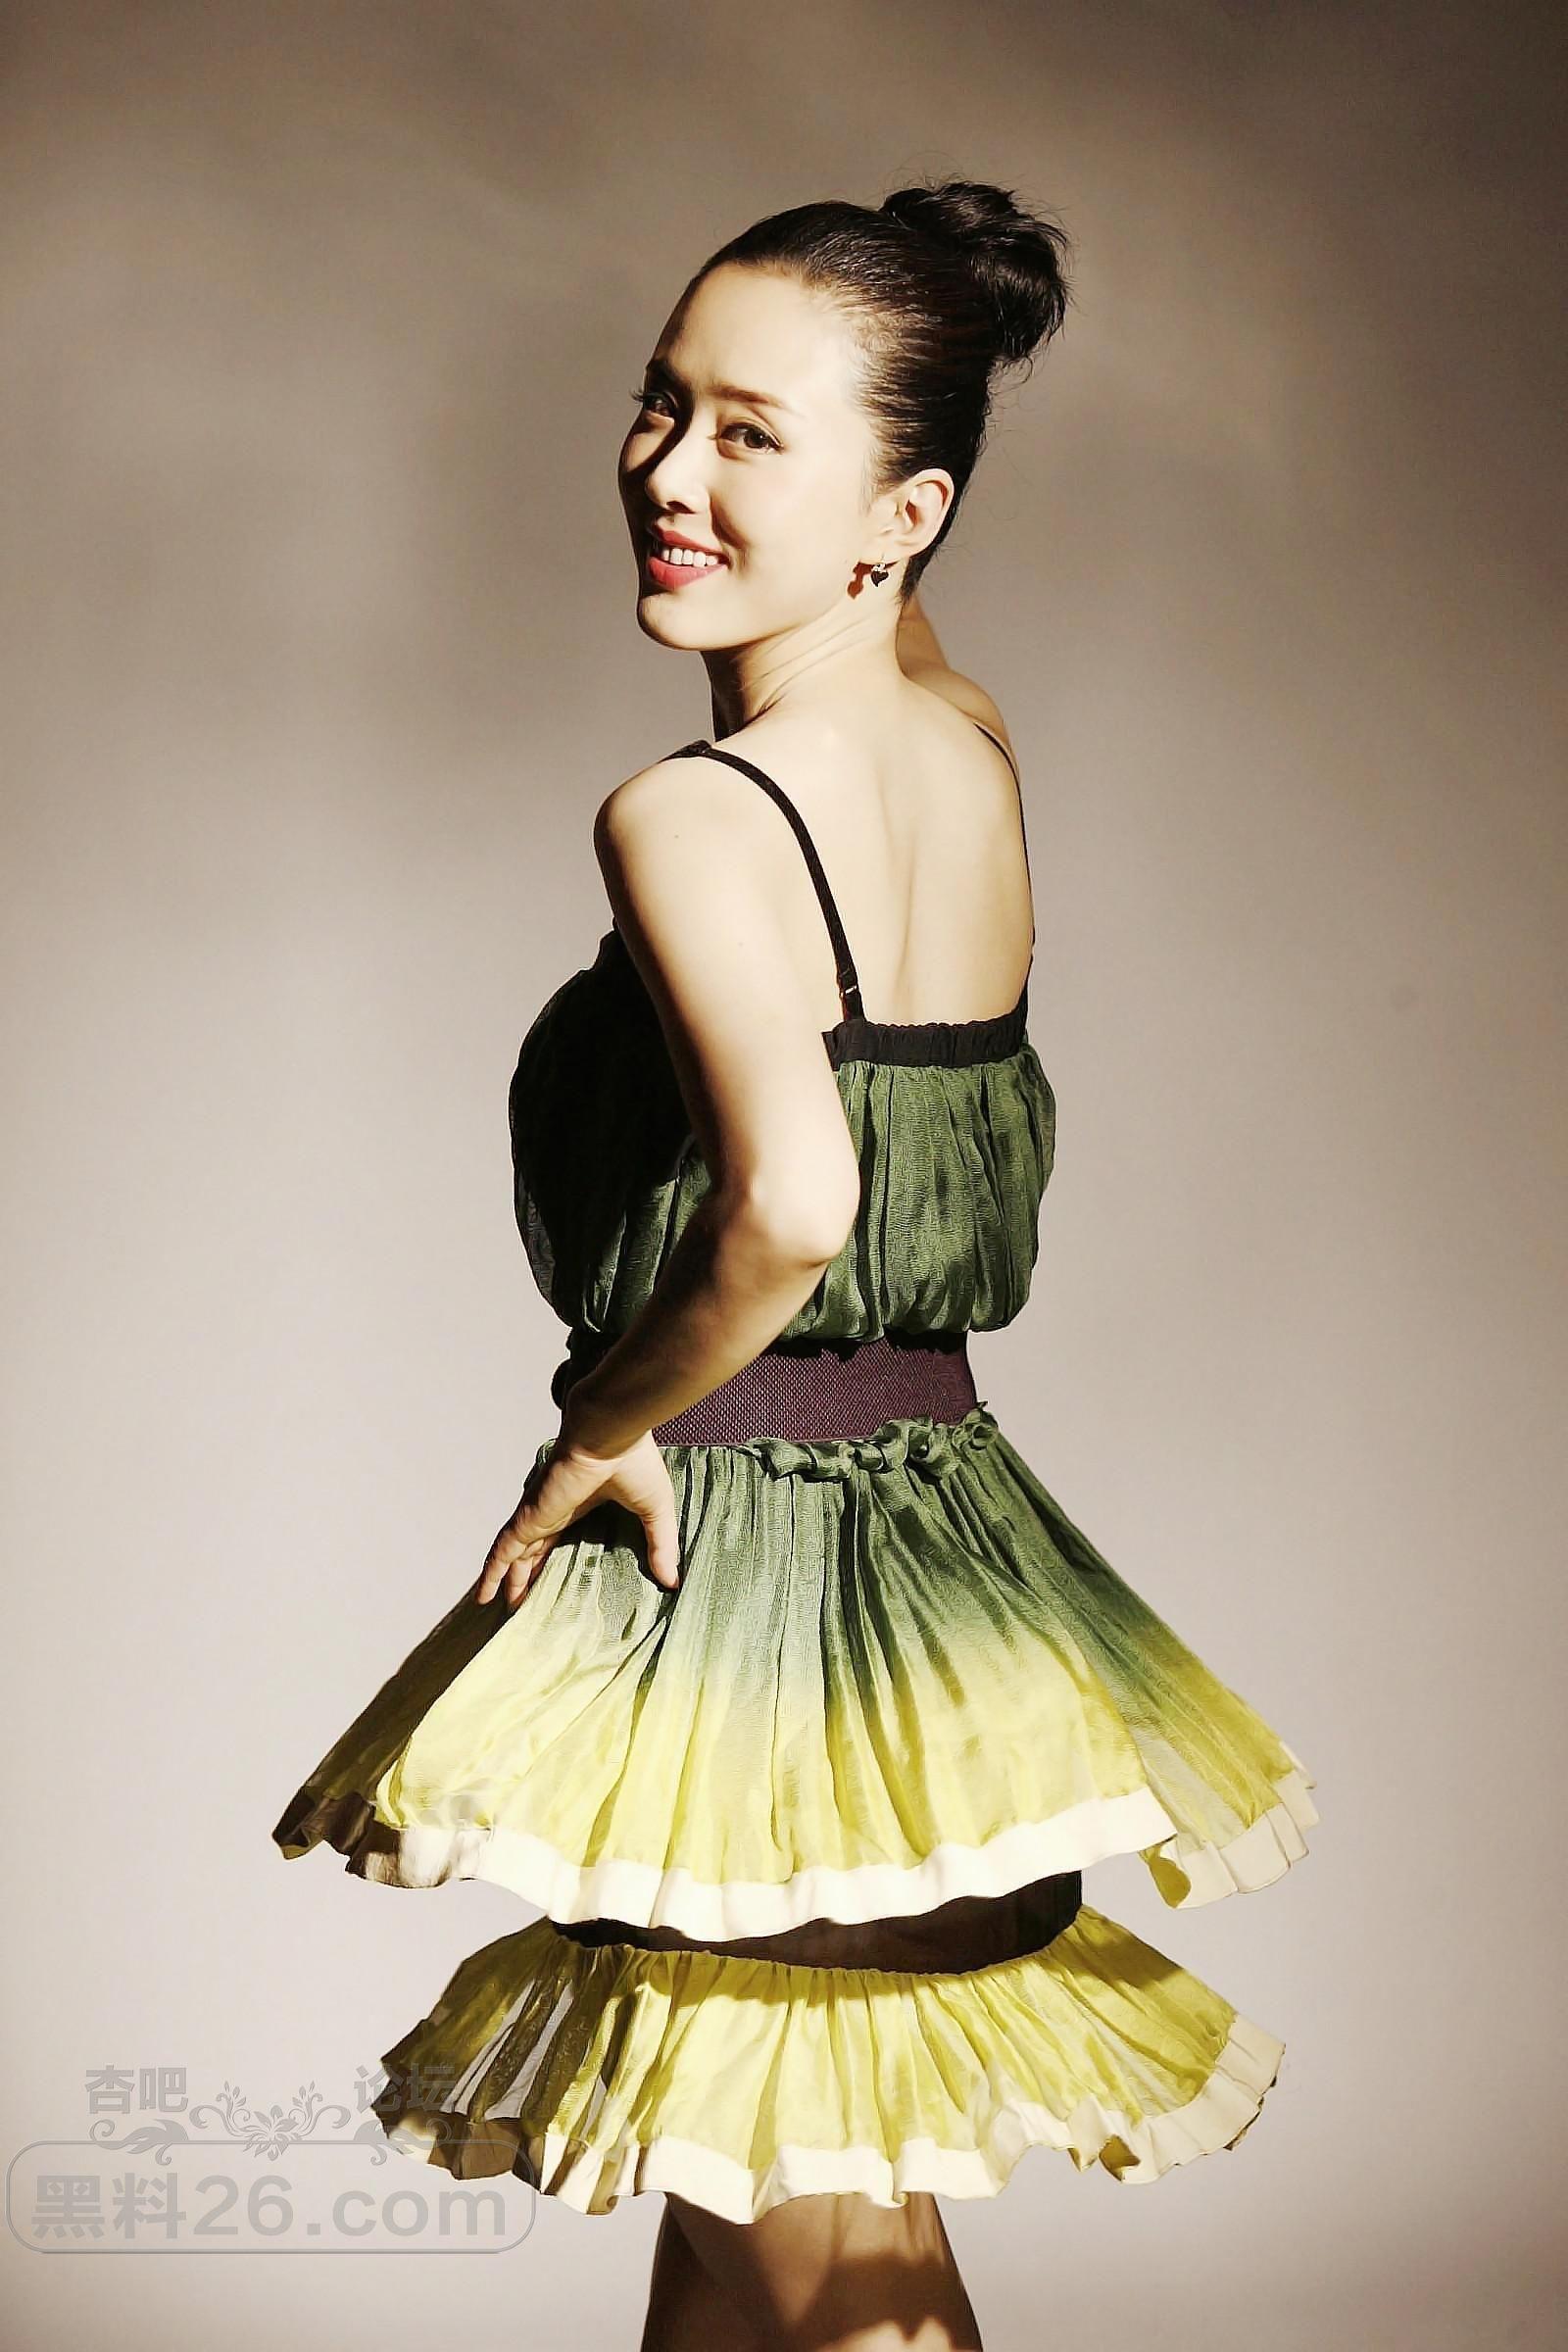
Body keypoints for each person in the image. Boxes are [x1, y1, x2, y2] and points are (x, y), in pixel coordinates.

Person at [272, 179, 1318, 2352]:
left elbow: (793, 1207)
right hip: (945, 1550)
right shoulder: (962, 735)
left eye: (752, 433)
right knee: (778, 2220)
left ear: (902, 514)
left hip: (744, 1572)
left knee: (812, 2242)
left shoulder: (693, 814)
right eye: (661, 406)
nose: (667, 471)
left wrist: (598, 1425)